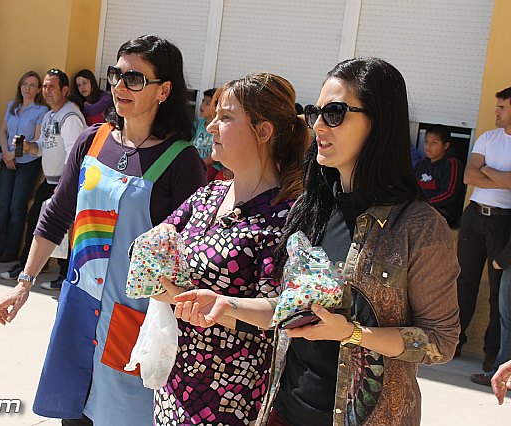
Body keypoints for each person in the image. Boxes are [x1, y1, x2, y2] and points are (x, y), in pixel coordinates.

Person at [171, 58, 460, 426]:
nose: (319, 126)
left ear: (379, 121)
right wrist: (226, 304)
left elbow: (440, 342)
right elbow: (290, 311)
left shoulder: (419, 226)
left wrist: (354, 334)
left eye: (335, 113)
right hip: (285, 412)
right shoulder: (314, 207)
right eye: (315, 112)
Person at [0, 35, 206, 426]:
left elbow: (189, 253)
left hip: (134, 320)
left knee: (120, 415)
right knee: (73, 413)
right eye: (117, 75)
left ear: (165, 90)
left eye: (135, 79)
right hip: (78, 307)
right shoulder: (93, 140)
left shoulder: (182, 161)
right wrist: (25, 282)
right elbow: (55, 214)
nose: (120, 87)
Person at [149, 72, 308, 424]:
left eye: (226, 117)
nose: (210, 127)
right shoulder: (208, 195)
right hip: (175, 383)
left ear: (263, 132)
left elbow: (283, 312)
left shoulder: (288, 214)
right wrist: (170, 288)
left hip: (232, 398)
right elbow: (149, 248)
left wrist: (223, 306)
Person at [0, 68, 85, 287]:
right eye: (45, 86)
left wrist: (65, 187)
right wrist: (28, 146)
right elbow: (44, 148)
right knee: (37, 221)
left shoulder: (70, 116)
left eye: (52, 86)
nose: (46, 90)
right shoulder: (49, 115)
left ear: (65, 90)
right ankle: (27, 267)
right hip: (51, 181)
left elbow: (73, 153)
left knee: (64, 229)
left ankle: (65, 276)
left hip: (65, 183)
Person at [456, 86, 511, 373]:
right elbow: (468, 174)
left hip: (503, 222)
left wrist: (486, 171)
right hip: (473, 217)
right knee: (464, 281)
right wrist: (500, 177)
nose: (496, 112)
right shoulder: (489, 137)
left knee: (496, 292)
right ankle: (454, 341)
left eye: (502, 107)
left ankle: (493, 356)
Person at [0, 71, 48, 263]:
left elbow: (37, 140)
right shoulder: (12, 106)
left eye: (32, 85)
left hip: (27, 163)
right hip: (8, 161)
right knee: (3, 205)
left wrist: (15, 154)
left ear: (38, 89)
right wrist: (6, 154)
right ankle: (0, 246)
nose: (27, 88)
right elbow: (3, 131)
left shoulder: (41, 111)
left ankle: (12, 250)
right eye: (24, 84)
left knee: (17, 206)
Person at [414, 124, 465, 227]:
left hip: (443, 213)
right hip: (419, 208)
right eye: (426, 142)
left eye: (434, 143)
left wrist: (424, 204)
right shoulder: (421, 164)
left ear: (446, 146)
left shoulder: (452, 164)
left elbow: (449, 194)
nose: (428, 147)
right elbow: (412, 187)